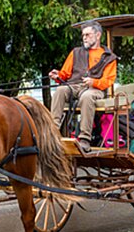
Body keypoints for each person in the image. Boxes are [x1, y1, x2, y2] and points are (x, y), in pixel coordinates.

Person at [49, 20, 117, 153]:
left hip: (95, 90)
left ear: (98, 35)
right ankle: (53, 131)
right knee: (61, 90)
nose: (84, 38)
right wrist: (58, 76)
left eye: (87, 35)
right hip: (74, 85)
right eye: (83, 35)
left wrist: (93, 82)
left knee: (87, 96)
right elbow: (65, 73)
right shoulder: (75, 52)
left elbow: (108, 80)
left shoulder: (109, 57)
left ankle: (85, 139)